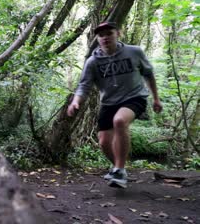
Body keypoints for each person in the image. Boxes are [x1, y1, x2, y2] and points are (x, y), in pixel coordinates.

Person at [67, 21, 162, 188]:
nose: (105, 38)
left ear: (118, 33)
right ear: (97, 39)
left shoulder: (134, 51)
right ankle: (118, 169)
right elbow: (84, 85)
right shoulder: (93, 62)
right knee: (103, 142)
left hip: (134, 97)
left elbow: (148, 74)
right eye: (101, 35)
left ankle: (119, 169)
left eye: (109, 33)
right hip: (109, 102)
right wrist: (75, 102)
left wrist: (155, 98)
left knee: (119, 121)